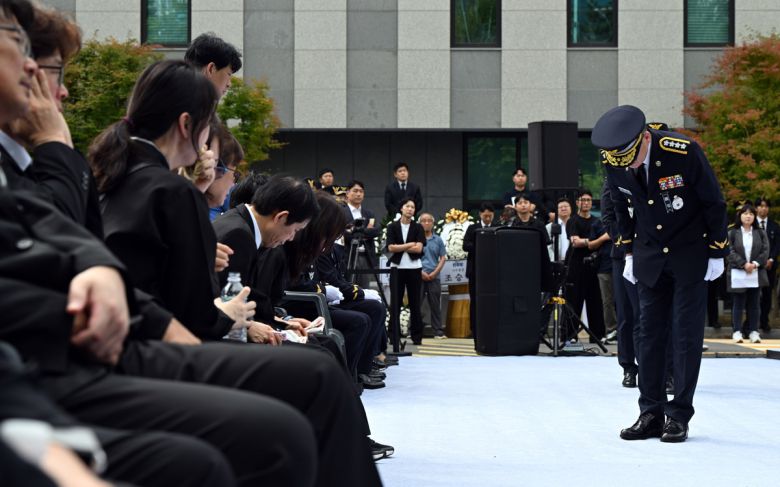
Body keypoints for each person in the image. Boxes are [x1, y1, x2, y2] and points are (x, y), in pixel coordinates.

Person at [592, 104, 728, 443]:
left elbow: (714, 201)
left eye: (633, 158)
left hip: (689, 253)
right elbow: (619, 207)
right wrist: (626, 252)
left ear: (644, 139)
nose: (630, 167)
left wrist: (717, 250)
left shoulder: (681, 151)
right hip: (648, 254)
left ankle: (678, 414)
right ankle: (650, 411)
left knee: (685, 335)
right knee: (648, 334)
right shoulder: (613, 160)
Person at [602, 180, 641, 388]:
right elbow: (609, 218)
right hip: (622, 256)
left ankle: (660, 369)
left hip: (650, 253)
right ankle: (629, 367)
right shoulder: (612, 180)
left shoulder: (648, 172)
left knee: (651, 315)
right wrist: (626, 246)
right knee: (626, 314)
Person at [565, 189, 605, 342]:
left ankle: (597, 336)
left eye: (589, 200)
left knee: (595, 301)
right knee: (574, 300)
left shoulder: (597, 221)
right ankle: (570, 335)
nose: (586, 203)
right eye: (583, 200)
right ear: (577, 203)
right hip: (575, 265)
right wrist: (595, 242)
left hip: (594, 265)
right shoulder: (573, 221)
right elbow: (575, 242)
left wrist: (588, 243)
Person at [386, 197, 426, 344]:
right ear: (401, 208)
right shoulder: (392, 226)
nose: (410, 209)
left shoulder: (418, 227)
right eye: (407, 206)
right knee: (395, 303)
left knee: (415, 303)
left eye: (413, 207)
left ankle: (417, 336)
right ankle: (393, 335)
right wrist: (409, 244)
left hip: (414, 268)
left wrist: (400, 246)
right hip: (397, 269)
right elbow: (390, 247)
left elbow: (419, 248)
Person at [727, 204, 769, 344]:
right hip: (738, 272)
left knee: (754, 303)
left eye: (751, 213)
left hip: (755, 272)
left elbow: (765, 250)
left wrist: (755, 263)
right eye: (745, 213)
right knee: (738, 303)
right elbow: (729, 251)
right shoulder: (733, 232)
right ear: (740, 215)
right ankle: (737, 331)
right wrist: (743, 263)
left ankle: (753, 331)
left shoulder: (760, 232)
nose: (748, 216)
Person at [463, 203, 496, 337]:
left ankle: (491, 326)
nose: (487, 218)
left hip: (492, 270)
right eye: (485, 216)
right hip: (475, 270)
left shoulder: (497, 227)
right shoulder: (473, 228)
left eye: (490, 216)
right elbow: (466, 245)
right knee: (475, 299)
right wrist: (481, 244)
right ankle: (474, 328)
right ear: (480, 215)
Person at [342, 179, 381, 289]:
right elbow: (342, 233)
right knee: (348, 287)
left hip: (365, 255)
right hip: (347, 255)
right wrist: (364, 231)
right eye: (355, 191)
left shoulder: (369, 213)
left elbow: (376, 231)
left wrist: (357, 231)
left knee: (365, 289)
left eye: (361, 191)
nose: (359, 194)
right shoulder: (341, 212)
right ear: (347, 193)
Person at [184, 32, 241, 99]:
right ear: (211, 69)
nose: (229, 84)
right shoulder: (192, 107)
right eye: (228, 74)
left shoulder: (176, 98)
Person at [419, 212, 447, 338]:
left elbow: (442, 258)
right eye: (423, 221)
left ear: (433, 223)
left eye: (429, 221)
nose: (426, 223)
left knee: (435, 304)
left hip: (434, 276)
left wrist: (435, 272)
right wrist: (421, 272)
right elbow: (412, 257)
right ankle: (414, 329)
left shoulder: (438, 239)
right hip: (418, 275)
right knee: (416, 304)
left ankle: (438, 330)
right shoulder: (416, 239)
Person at [754, 197, 779, 333]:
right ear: (756, 208)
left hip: (770, 266)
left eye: (766, 206)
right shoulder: (751, 225)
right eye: (761, 206)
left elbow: (777, 245)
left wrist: (771, 259)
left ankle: (764, 321)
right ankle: (751, 323)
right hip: (753, 266)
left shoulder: (774, 226)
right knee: (753, 295)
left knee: (767, 295)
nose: (763, 209)